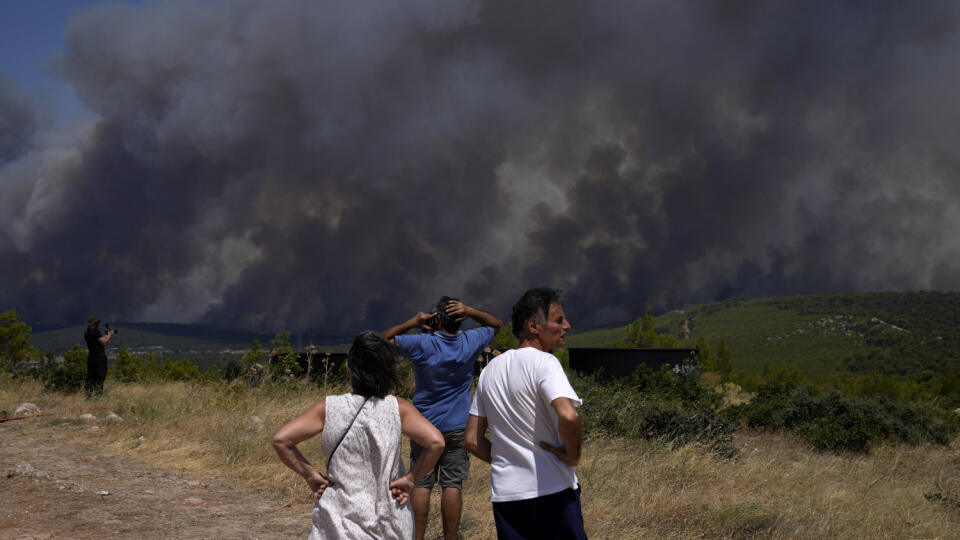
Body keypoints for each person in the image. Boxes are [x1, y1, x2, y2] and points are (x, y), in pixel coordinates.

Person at [273, 331, 445, 539]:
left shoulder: (328, 408)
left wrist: (310, 474)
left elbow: (282, 440)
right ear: (386, 372)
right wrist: (411, 478)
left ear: (349, 370)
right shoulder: (399, 408)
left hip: (338, 520)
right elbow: (436, 442)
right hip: (389, 521)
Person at [463, 287, 587, 540]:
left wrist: (507, 459)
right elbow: (569, 415)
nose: (567, 326)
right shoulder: (546, 363)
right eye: (559, 320)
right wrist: (572, 456)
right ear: (534, 325)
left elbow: (471, 440)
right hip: (552, 491)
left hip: (507, 496)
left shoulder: (490, 370)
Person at [380, 296, 502, 540]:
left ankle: (418, 537)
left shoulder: (422, 344)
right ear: (460, 320)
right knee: (452, 485)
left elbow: (382, 339)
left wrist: (413, 321)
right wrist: (470, 310)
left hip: (425, 426)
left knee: (422, 484)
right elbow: (496, 324)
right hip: (458, 426)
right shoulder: (470, 341)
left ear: (436, 319)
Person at [84, 316, 115, 397]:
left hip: (91, 358)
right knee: (100, 377)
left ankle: (88, 395)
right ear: (96, 323)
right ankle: (98, 396)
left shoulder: (87, 333)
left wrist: (106, 335)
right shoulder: (96, 332)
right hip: (99, 358)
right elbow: (104, 342)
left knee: (90, 377)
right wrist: (110, 335)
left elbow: (98, 340)